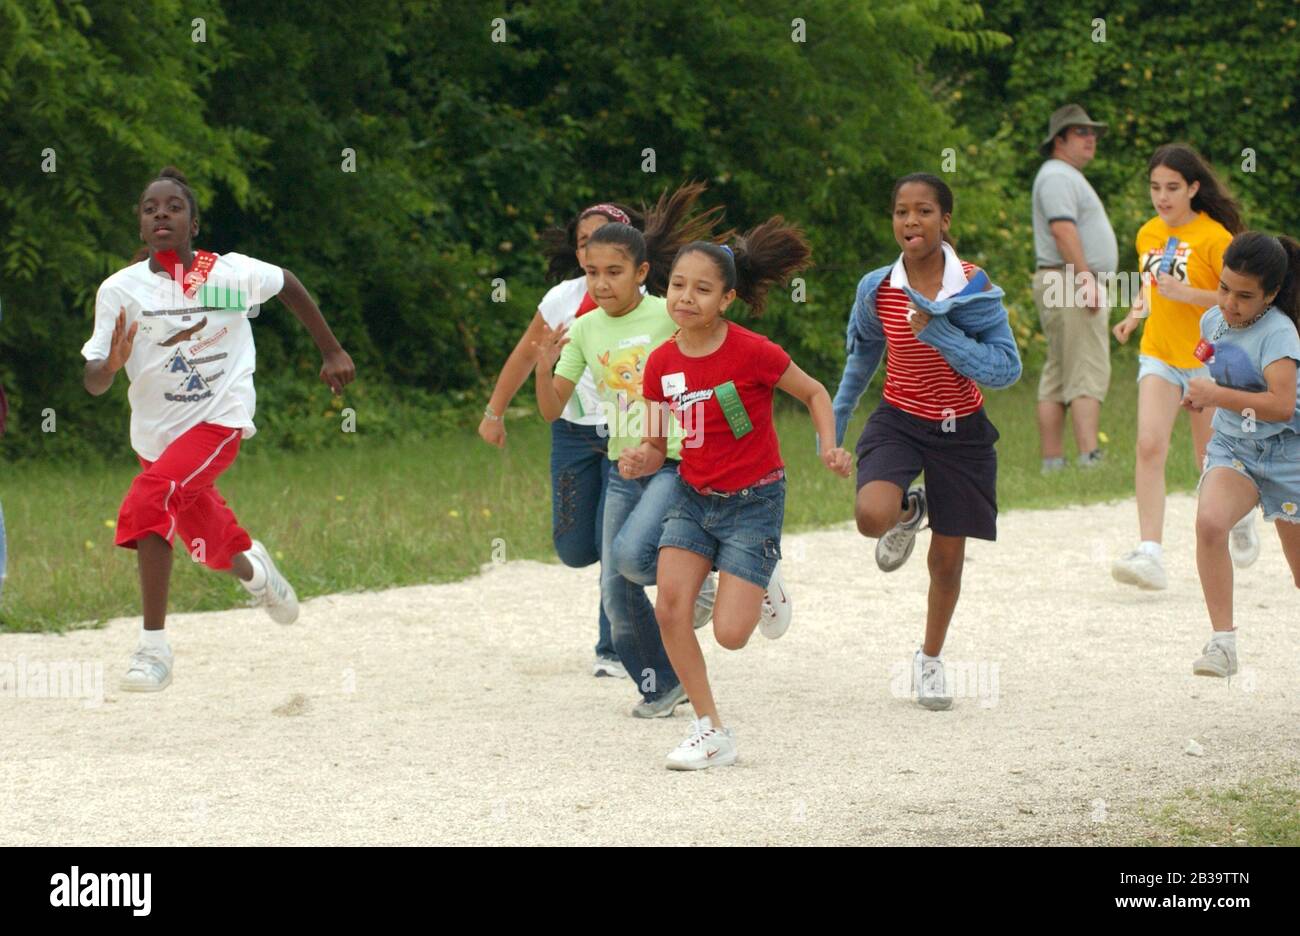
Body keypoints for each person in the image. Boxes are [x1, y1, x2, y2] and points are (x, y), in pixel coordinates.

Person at [81, 167, 356, 692]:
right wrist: (110, 365)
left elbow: (287, 285)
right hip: (157, 440)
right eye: (149, 208)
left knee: (150, 498)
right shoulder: (122, 291)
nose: (161, 213)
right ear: (140, 227)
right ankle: (254, 569)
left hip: (217, 422)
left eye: (173, 207)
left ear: (193, 222)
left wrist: (330, 349)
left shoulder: (224, 277)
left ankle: (153, 650)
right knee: (209, 549)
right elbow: (93, 382)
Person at [627, 217, 846, 770]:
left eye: (702, 289)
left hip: (754, 499)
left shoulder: (754, 352)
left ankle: (763, 574)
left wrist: (828, 446)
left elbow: (816, 392)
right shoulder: (660, 364)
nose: (686, 297)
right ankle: (711, 731)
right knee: (671, 609)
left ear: (726, 298)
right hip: (694, 497)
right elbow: (657, 445)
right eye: (678, 285)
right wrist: (641, 459)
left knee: (730, 635)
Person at [532, 183, 724, 718]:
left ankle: (716, 574)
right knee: (616, 588)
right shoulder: (585, 328)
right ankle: (661, 683)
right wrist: (544, 368)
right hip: (624, 466)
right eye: (592, 272)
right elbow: (553, 410)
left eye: (613, 272)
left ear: (641, 273)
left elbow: (720, 361)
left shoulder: (671, 314)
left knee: (630, 557)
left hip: (679, 461)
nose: (601, 283)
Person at [834, 173, 1021, 711]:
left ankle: (930, 661)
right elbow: (863, 354)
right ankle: (907, 509)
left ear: (945, 221)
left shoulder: (974, 289)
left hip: (961, 432)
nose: (910, 222)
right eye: (900, 212)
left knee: (947, 562)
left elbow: (1007, 368)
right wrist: (838, 421)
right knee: (872, 515)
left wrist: (939, 331)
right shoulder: (878, 288)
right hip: (900, 418)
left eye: (923, 212)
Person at [478, 201, 644, 678]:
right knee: (575, 549)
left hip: (626, 434)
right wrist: (495, 411)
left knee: (612, 546)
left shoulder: (652, 301)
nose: (592, 254)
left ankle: (612, 649)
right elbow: (525, 355)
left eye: (605, 244)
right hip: (571, 433)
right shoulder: (561, 300)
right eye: (583, 246)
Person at [1111, 144, 1249, 590]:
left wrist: (1189, 296)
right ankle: (1150, 552)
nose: (1162, 197)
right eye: (1155, 187)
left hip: (1208, 358)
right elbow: (1152, 287)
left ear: (1193, 187)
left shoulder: (1215, 238)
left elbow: (1239, 300)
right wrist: (1134, 315)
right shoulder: (1148, 233)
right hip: (1159, 354)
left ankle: (1240, 513)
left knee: (1208, 458)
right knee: (1149, 445)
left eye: (1172, 187)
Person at [1185, 232, 1300, 677]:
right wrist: (1198, 395)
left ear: (1270, 295)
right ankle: (1223, 644)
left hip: (1286, 453)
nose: (1230, 303)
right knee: (1211, 523)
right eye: (1224, 288)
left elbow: (1281, 405)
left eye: (1245, 296)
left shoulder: (1280, 334)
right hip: (1235, 446)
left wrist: (1218, 394)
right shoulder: (1211, 321)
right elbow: (1209, 361)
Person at [1031, 104, 1119, 471]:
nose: (1090, 139)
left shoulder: (1061, 175)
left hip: (1062, 280)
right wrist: (1085, 278)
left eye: (1093, 133)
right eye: (1081, 132)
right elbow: (1062, 230)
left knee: (1059, 370)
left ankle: (1054, 461)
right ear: (1060, 140)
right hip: (1069, 281)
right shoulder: (1057, 176)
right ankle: (1089, 456)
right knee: (1085, 367)